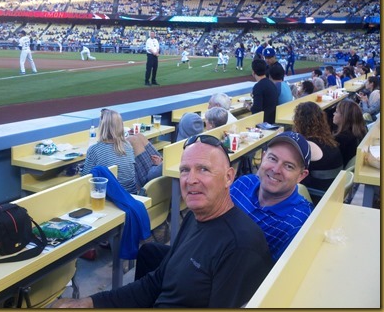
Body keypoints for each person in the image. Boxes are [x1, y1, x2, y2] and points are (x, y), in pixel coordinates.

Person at [52, 135, 273, 308]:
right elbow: (156, 282)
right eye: (185, 170)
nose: (191, 179)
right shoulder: (195, 218)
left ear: (228, 177)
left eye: (203, 169)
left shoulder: (241, 247)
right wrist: (90, 302)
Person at [230, 131, 317, 261]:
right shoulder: (243, 183)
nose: (276, 170)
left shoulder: (297, 225)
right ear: (263, 157)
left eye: (288, 166)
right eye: (272, 158)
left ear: (301, 175)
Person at [292, 102, 343, 205]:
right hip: (332, 192)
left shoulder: (308, 145)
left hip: (316, 196)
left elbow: (292, 171)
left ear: (299, 122)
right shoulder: (329, 141)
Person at [81, 109, 137, 194]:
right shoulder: (128, 146)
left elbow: (85, 179)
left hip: (111, 197)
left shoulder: (94, 150)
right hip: (131, 195)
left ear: (102, 127)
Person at [332, 99, 367, 168]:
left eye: (336, 112)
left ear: (344, 117)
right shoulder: (361, 131)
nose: (333, 114)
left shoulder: (341, 138)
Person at [245, 59, 278, 124]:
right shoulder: (271, 83)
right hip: (272, 119)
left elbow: (256, 111)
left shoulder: (258, 86)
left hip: (265, 123)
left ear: (253, 72)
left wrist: (248, 106)